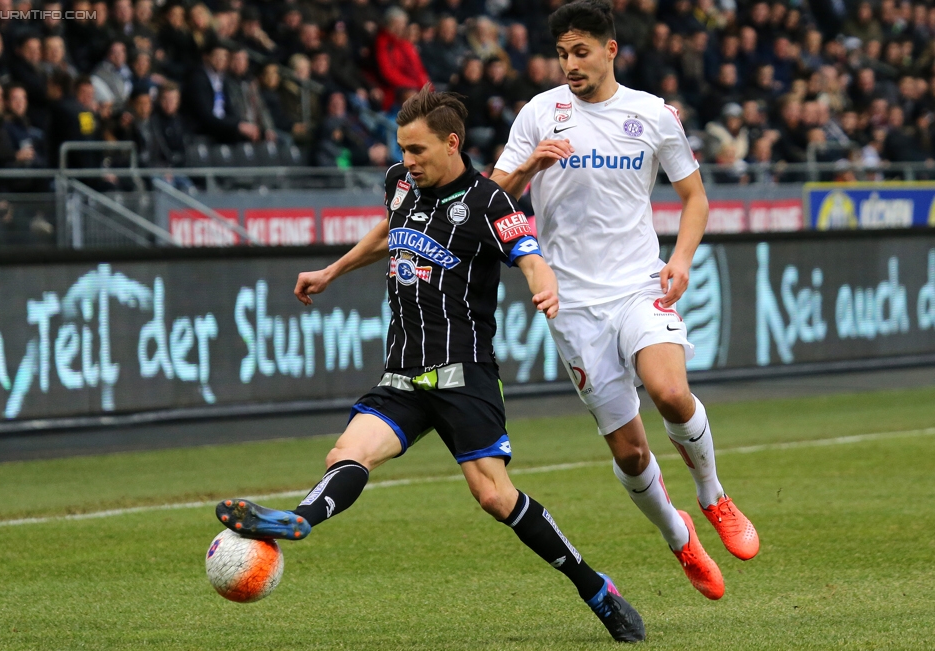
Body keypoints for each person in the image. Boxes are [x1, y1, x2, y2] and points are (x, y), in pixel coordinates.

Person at [215, 86, 645, 644]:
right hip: (402, 373)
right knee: (346, 453)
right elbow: (388, 234)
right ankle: (299, 521)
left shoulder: (490, 201)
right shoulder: (399, 183)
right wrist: (332, 271)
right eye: (402, 149)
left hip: (463, 374)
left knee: (493, 496)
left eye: (417, 150)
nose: (407, 161)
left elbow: (530, 256)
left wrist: (547, 290)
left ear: (451, 143)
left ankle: (594, 588)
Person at [490, 0, 759, 605]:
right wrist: (530, 165)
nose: (570, 65)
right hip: (573, 305)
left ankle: (713, 495)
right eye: (562, 54)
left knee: (668, 390)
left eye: (580, 52)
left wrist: (682, 259)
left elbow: (695, 197)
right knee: (631, 452)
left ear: (610, 50)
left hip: (639, 285)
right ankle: (678, 536)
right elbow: (490, 195)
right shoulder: (539, 114)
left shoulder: (652, 116)